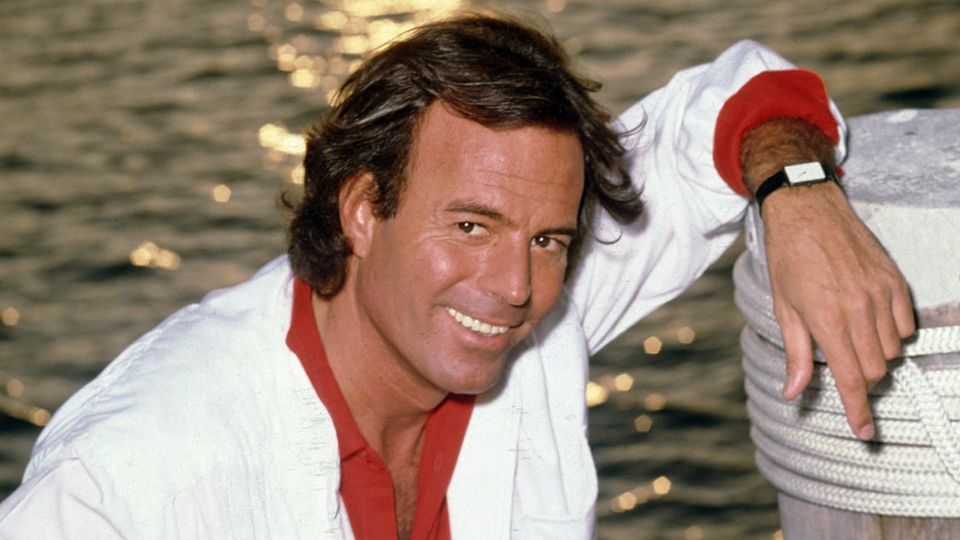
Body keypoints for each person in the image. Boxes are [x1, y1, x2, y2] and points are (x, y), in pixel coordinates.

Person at [0, 13, 913, 539]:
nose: (515, 285)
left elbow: (736, 94)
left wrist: (797, 196)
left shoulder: (527, 303)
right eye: (470, 225)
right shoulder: (132, 473)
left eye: (550, 239)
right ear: (363, 210)